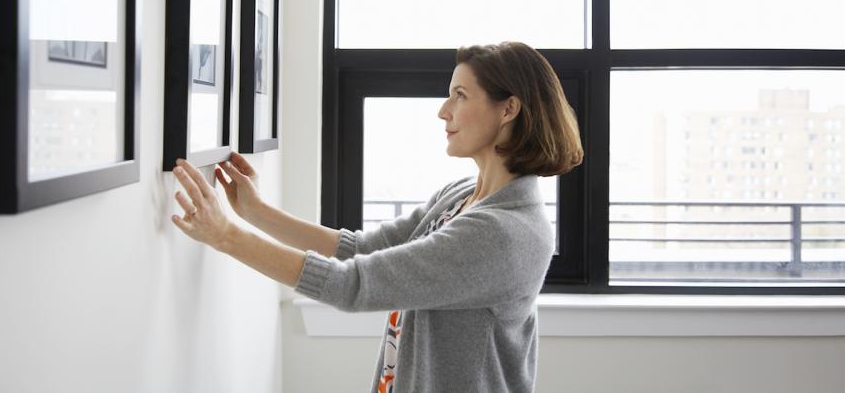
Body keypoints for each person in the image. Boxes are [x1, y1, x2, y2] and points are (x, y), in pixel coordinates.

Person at [170, 41, 584, 392]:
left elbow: (353, 285)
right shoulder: (463, 195)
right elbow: (362, 249)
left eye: (460, 95)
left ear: (508, 109)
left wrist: (226, 236)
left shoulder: (505, 233)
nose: (444, 110)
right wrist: (256, 213)